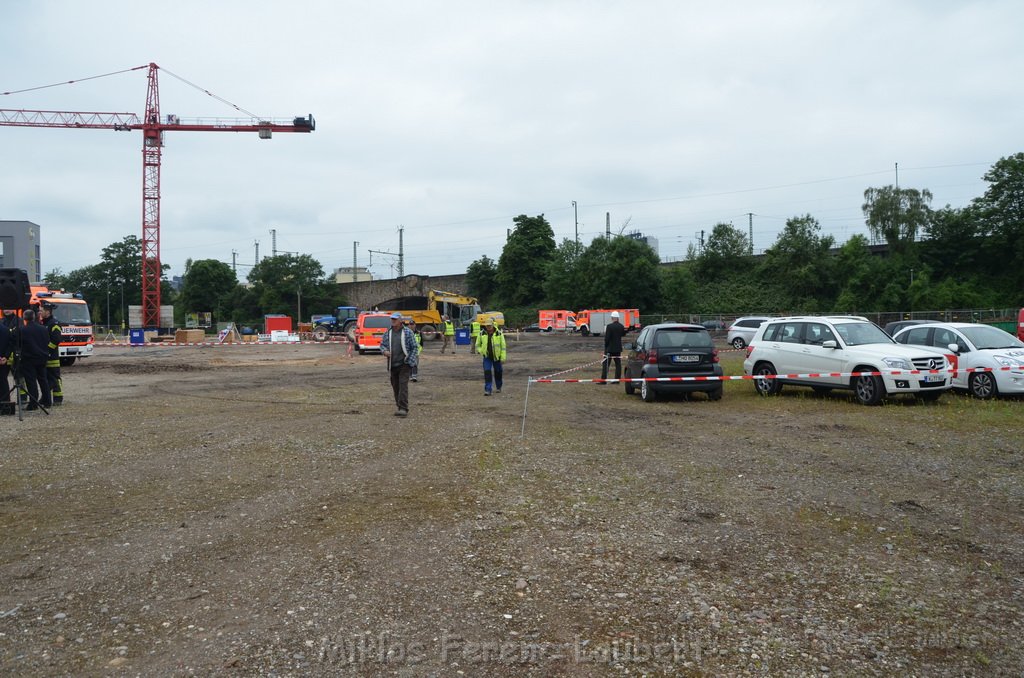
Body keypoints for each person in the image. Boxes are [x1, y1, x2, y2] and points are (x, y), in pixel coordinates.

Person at [380, 312, 418, 417]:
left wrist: (410, 360)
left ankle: (403, 408)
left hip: (404, 363)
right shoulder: (388, 332)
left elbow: (414, 347)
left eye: (395, 319)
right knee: (395, 386)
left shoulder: (408, 332)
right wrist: (384, 351)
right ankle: (399, 406)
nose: (393, 320)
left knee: (403, 385)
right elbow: (382, 345)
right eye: (392, 319)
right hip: (392, 364)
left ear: (401, 321)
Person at [17, 309, 51, 410]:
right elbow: (47, 341)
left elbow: (19, 345)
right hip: (42, 358)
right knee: (43, 380)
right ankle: (47, 401)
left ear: (24, 318)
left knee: (31, 382)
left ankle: (33, 403)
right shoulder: (43, 329)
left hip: (29, 359)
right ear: (34, 317)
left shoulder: (22, 330)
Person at [40, 301, 64, 405]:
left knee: (55, 378)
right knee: (46, 378)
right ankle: (46, 397)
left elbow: (56, 339)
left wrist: (47, 351)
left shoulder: (54, 323)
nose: (40, 312)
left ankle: (58, 399)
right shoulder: (44, 323)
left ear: (48, 312)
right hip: (45, 356)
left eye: (42, 311)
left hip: (52, 356)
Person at [476, 318, 506, 396]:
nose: (488, 327)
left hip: (497, 357)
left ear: (493, 325)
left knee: (498, 372)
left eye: (489, 325)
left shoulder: (499, 333)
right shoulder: (481, 333)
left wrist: (503, 357)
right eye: (487, 326)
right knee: (487, 372)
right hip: (487, 357)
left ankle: (498, 386)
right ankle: (488, 389)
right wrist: (481, 350)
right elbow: (477, 345)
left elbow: (503, 347)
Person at [601, 311, 626, 384]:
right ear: (618, 318)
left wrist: (606, 346)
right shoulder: (621, 326)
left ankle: (603, 380)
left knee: (606, 365)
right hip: (618, 349)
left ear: (612, 318)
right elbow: (623, 334)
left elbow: (607, 338)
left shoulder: (609, 326)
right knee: (618, 365)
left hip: (609, 349)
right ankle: (617, 380)